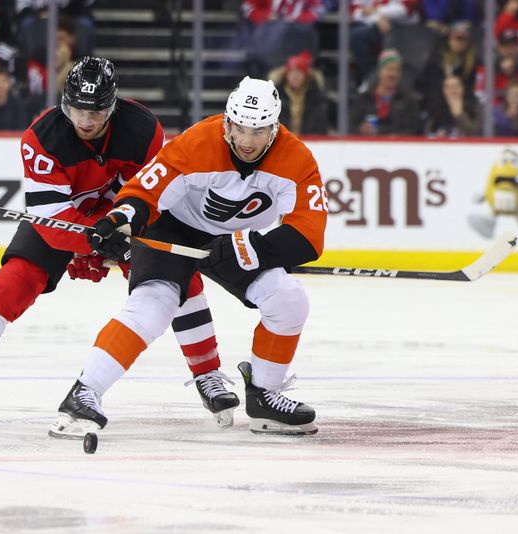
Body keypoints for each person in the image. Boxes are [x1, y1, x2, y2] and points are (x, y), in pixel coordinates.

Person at [0, 57, 239, 429]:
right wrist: (90, 244)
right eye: (77, 110)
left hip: (122, 221)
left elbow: (149, 196)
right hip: (66, 222)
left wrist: (115, 237)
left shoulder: (143, 128)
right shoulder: (41, 139)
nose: (86, 121)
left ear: (113, 105)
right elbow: (54, 226)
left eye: (97, 111)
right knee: (11, 283)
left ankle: (208, 374)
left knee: (179, 277)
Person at [51, 76, 327, 438]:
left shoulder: (297, 159)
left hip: (238, 241)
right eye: (239, 128)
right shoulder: (198, 141)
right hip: (174, 230)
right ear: (227, 121)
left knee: (290, 300)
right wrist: (118, 221)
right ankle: (84, 392)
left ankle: (264, 395)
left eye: (258, 131)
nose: (246, 141)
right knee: (154, 303)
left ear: (275, 129)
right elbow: (143, 192)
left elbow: (309, 235)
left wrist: (250, 247)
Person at [350, 48, 422, 136]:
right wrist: (360, 129)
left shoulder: (409, 102)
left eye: (396, 70)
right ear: (379, 72)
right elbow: (349, 127)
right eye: (389, 69)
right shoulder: (363, 99)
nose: (393, 74)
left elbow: (414, 131)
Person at [270, 50, 329, 135]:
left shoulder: (316, 97)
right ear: (286, 74)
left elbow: (319, 123)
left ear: (305, 76)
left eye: (299, 73)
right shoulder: (276, 96)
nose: (295, 77)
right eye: (292, 73)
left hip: (309, 142)